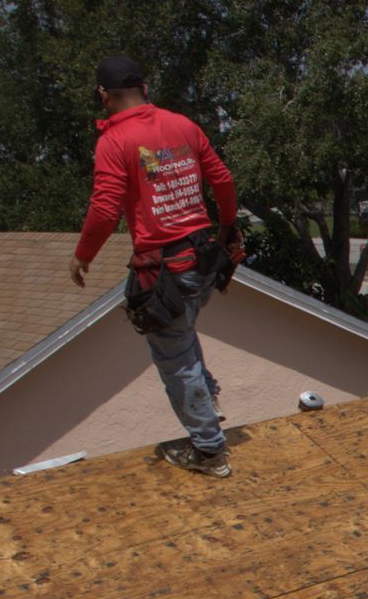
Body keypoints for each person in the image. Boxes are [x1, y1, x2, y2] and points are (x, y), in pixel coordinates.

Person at [70, 53, 242, 478]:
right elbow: (222, 180)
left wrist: (82, 256)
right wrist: (227, 228)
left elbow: (106, 207)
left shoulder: (114, 141)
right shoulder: (182, 125)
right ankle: (209, 398)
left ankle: (209, 452)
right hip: (202, 259)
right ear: (145, 89)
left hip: (167, 270)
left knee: (175, 359)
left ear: (103, 97)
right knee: (183, 336)